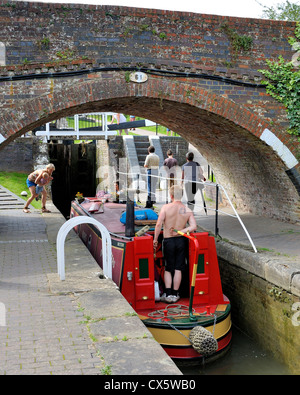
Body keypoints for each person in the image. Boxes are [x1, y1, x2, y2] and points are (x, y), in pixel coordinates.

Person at [153, 185, 197, 303]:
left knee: (168, 267)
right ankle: (175, 294)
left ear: (171, 195)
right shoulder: (187, 210)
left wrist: (155, 239)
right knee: (178, 268)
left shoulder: (166, 208)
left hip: (168, 241)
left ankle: (167, 294)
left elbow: (158, 225)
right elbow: (193, 226)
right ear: (181, 196)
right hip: (181, 241)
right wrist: (181, 232)